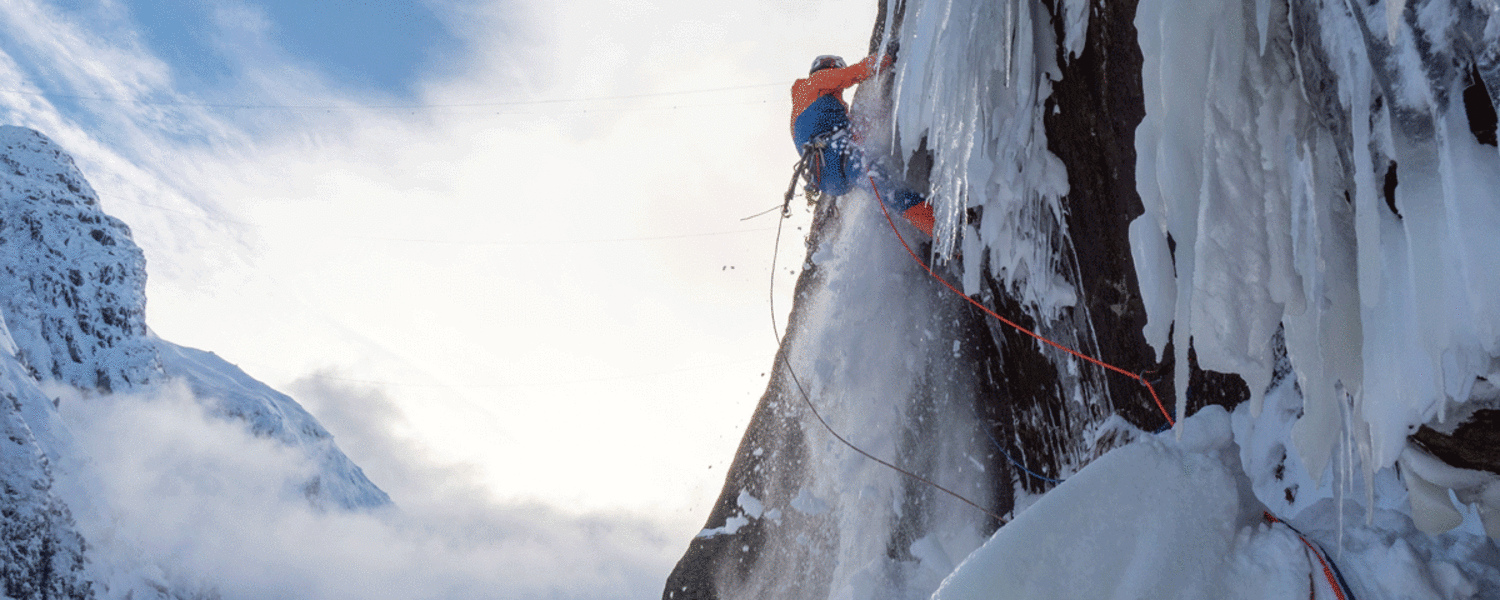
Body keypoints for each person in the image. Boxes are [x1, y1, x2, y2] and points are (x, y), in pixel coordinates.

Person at [790, 52, 934, 236]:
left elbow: (856, 132)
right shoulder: (812, 83)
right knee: (883, 184)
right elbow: (854, 73)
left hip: (827, 177)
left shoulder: (823, 105)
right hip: (833, 154)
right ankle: (936, 228)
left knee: (883, 187)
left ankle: (921, 222)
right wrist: (887, 55)